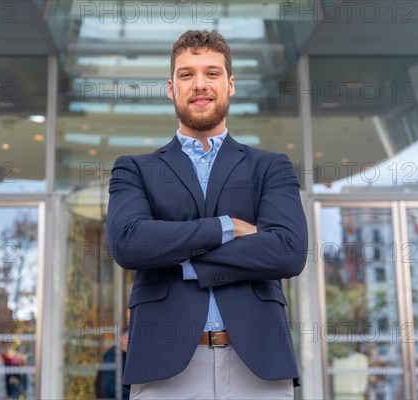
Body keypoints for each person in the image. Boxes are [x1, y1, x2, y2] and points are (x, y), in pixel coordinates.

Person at [106, 30, 308, 399]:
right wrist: (225, 227)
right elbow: (130, 244)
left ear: (230, 85)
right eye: (187, 74)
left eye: (212, 73)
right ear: (171, 88)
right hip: (164, 367)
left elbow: (288, 251)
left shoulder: (271, 167)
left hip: (257, 363)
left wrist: (181, 258)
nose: (200, 84)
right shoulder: (134, 169)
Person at [95, 326, 130, 400]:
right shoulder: (112, 356)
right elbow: (108, 387)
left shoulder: (127, 356)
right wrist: (132, 392)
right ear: (122, 338)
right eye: (128, 338)